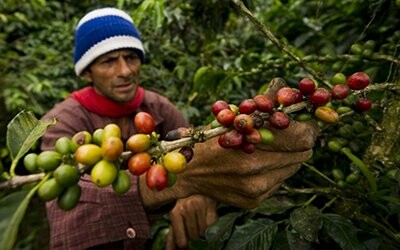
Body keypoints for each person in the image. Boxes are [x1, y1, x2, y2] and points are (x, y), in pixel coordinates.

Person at [40, 7, 319, 250]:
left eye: (131, 57)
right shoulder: (61, 121)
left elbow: (196, 152)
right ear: (87, 72)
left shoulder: (158, 108)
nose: (125, 70)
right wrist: (181, 183)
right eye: (108, 61)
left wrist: (200, 194)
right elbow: (65, 210)